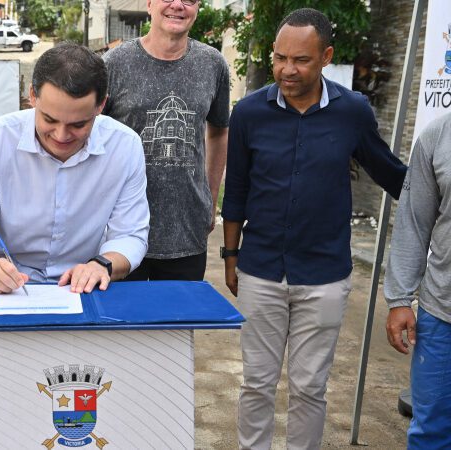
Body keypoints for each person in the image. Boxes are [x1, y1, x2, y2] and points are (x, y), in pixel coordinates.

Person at [221, 8, 407, 450]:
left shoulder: (353, 112)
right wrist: (231, 257)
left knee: (309, 388)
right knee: (256, 384)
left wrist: (436, 195)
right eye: (279, 58)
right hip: (261, 270)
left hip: (324, 276)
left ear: (325, 56)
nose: (287, 69)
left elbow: (390, 173)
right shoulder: (249, 113)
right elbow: (238, 190)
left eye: (300, 60)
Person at [0, 43, 149, 294]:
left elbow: (131, 234)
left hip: (84, 287)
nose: (61, 135)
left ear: (100, 106)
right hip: (7, 289)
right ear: (32, 96)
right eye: (49, 119)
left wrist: (102, 265)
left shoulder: (125, 146)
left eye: (78, 124)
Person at [103, 0, 229, 282]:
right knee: (124, 321)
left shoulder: (212, 64)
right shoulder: (115, 63)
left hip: (187, 227)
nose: (177, 5)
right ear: (149, 4)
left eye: (189, 0)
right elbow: (91, 133)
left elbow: (219, 131)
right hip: (121, 229)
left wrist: (209, 196)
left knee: (178, 322)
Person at [384, 113, 451, 449]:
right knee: (432, 433)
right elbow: (414, 222)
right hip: (443, 313)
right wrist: (399, 300)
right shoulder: (439, 135)